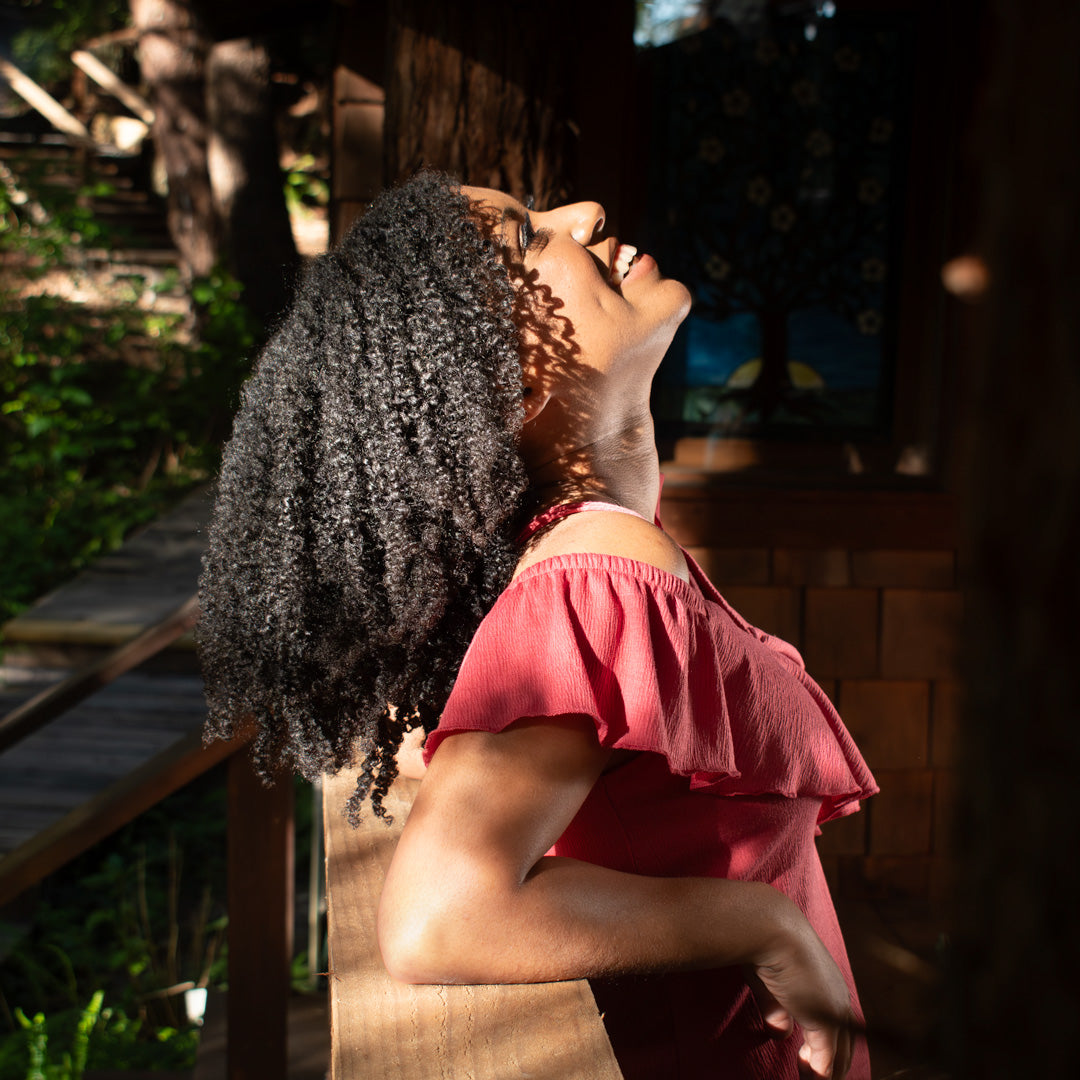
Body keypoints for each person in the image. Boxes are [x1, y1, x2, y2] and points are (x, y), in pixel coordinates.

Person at [198, 170, 877, 1079]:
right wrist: (768, 928)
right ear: (511, 390)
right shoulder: (591, 578)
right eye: (527, 238)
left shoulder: (598, 553)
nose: (588, 213)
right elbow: (439, 919)